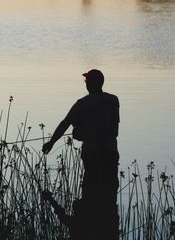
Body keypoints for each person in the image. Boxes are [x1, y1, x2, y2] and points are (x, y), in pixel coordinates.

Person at [42, 69, 120, 240]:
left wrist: (51, 142)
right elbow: (112, 129)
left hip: (92, 155)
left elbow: (65, 124)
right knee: (109, 192)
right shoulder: (113, 101)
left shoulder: (83, 104)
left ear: (90, 84)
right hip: (111, 154)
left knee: (91, 191)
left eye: (86, 81)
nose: (84, 84)